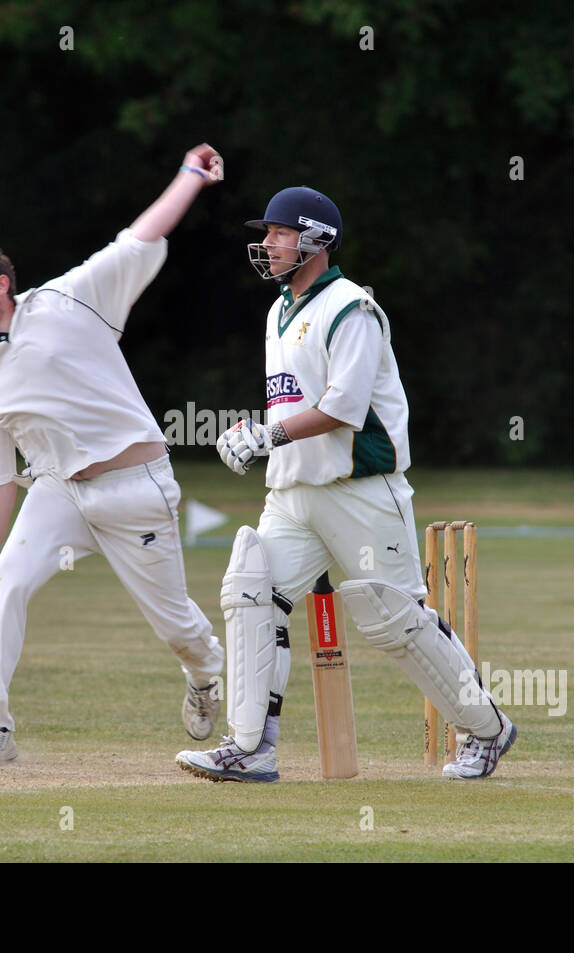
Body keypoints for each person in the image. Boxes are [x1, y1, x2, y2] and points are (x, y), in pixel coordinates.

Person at [175, 186, 515, 782]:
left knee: (395, 620)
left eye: (280, 232)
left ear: (315, 239)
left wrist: (267, 436)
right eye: (267, 233)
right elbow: (291, 404)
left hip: (361, 487)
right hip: (292, 493)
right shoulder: (278, 311)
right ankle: (250, 748)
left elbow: (343, 409)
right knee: (250, 590)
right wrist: (252, 434)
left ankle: (486, 730)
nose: (268, 243)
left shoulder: (352, 308)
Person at [0, 144, 227, 765]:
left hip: (135, 485)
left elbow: (137, 240)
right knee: (8, 587)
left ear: (2, 283)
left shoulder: (69, 299)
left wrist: (188, 177)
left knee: (176, 626)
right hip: (58, 491)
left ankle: (206, 673)